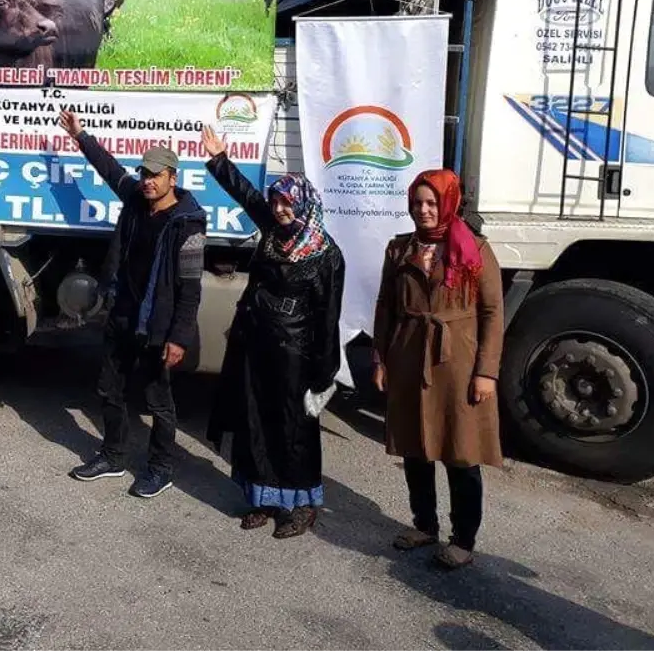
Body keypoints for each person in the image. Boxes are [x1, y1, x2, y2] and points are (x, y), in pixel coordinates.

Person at [200, 125, 345, 539]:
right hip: (255, 347)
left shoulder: (325, 255)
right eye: (277, 202)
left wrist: (323, 374)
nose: (280, 209)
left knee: (293, 429)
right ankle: (262, 498)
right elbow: (245, 194)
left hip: (296, 357)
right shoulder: (273, 234)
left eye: (287, 203)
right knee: (254, 422)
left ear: (303, 204)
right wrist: (219, 160)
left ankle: (300, 507)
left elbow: (328, 317)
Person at [58, 109, 207, 499]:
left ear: (173, 178)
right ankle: (113, 455)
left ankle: (160, 469)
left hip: (157, 327)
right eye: (144, 174)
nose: (147, 181)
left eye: (156, 175)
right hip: (122, 316)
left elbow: (191, 288)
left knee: (159, 403)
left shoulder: (188, 223)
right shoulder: (136, 201)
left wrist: (179, 337)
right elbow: (110, 169)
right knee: (110, 390)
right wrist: (81, 135)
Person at [372, 168, 504, 570]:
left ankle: (463, 538)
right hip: (409, 356)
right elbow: (385, 307)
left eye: (432, 203)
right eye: (417, 203)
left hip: (457, 363)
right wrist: (381, 358)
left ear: (449, 203)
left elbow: (492, 312)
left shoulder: (474, 250)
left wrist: (486, 371)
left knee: (461, 453)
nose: (423, 210)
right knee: (415, 447)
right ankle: (424, 524)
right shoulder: (399, 250)